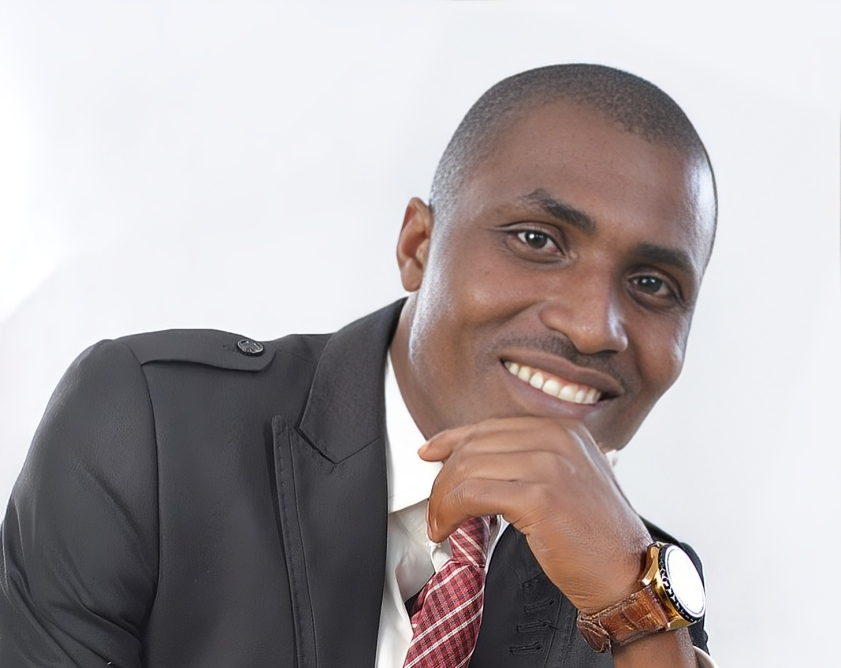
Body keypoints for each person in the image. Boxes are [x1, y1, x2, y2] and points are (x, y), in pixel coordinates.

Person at [0, 64, 719, 667]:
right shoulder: (151, 428)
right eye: (537, 240)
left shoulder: (636, 579)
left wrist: (640, 618)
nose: (592, 327)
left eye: (652, 284)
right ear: (417, 247)